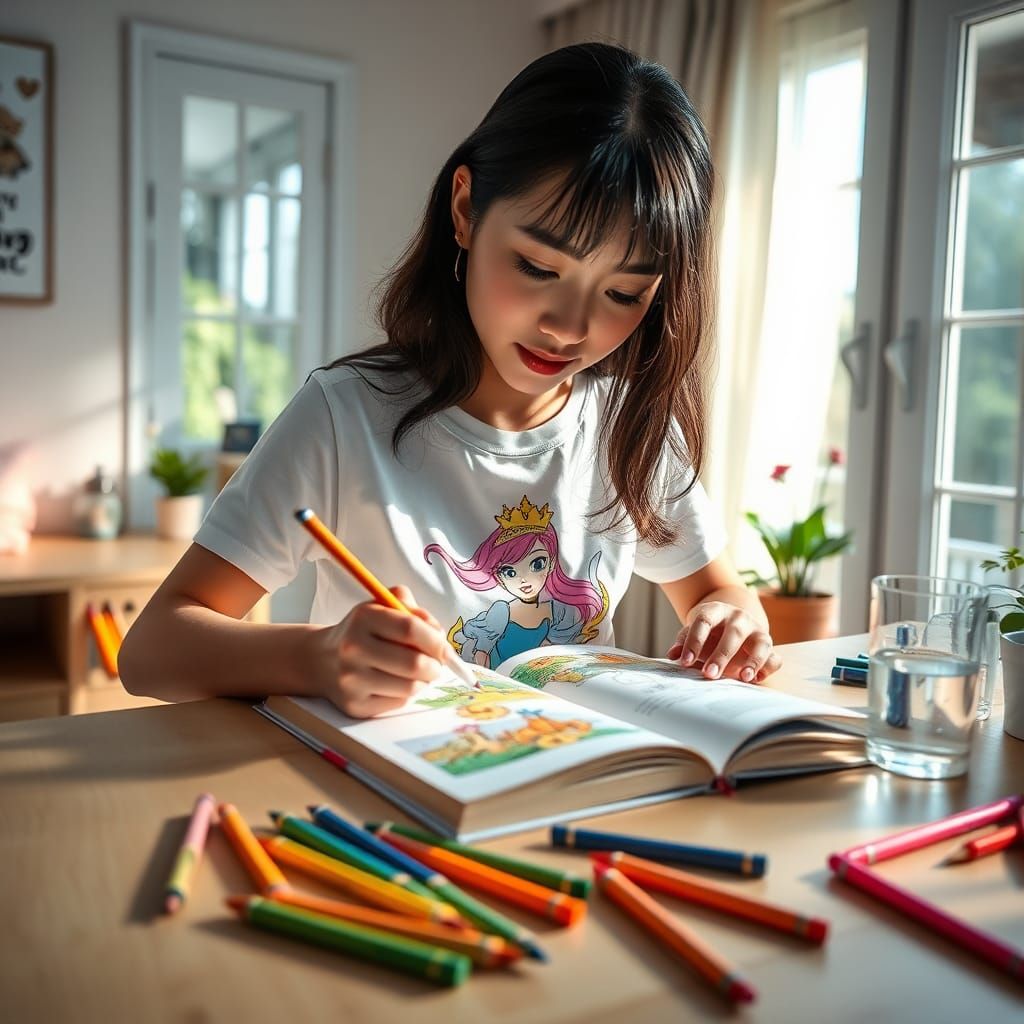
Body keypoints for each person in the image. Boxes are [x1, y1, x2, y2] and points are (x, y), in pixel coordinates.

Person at [120, 42, 781, 718]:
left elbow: (717, 593)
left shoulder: (625, 424)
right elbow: (150, 652)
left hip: (571, 796)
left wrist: (730, 623)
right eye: (537, 267)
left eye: (621, 294)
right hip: (391, 803)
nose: (569, 326)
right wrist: (317, 660)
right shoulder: (345, 418)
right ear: (464, 211)